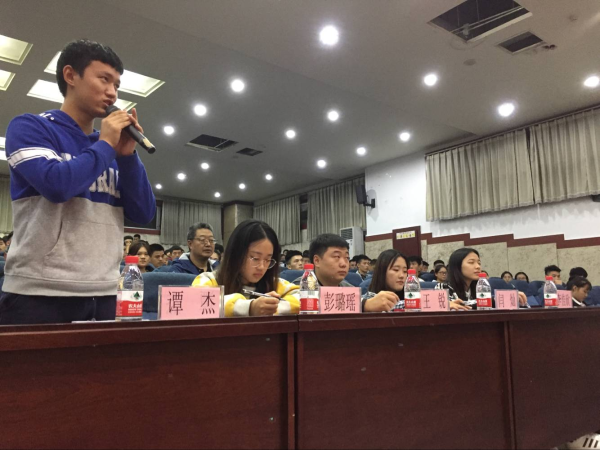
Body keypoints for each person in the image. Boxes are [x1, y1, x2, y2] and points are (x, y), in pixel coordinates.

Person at [0, 39, 155, 325]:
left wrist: (127, 157)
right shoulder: (30, 127)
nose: (112, 92)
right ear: (71, 75)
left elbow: (144, 213)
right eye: (104, 79)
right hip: (39, 293)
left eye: (117, 85)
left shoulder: (110, 147)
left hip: (104, 292)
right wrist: (105, 145)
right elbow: (57, 185)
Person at [192, 219, 299, 317]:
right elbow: (194, 303)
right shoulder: (209, 279)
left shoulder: (273, 282)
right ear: (236, 254)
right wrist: (250, 307)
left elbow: (303, 297)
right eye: (255, 258)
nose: (262, 267)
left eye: (268, 260)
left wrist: (271, 308)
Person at [437, 248, 527, 309]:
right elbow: (461, 306)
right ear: (457, 266)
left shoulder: (479, 286)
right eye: (471, 262)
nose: (478, 266)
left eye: (479, 263)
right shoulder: (442, 287)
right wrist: (497, 299)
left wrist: (508, 299)